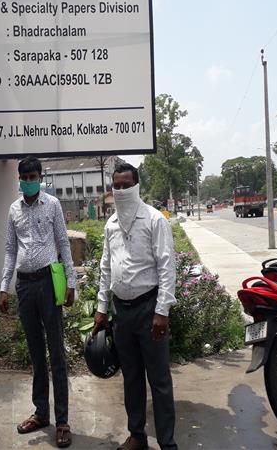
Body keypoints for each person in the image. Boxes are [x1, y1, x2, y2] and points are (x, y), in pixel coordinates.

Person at [93, 163, 177, 450]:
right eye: (116, 186)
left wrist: (162, 311)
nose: (121, 190)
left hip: (149, 308)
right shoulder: (111, 224)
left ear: (137, 186)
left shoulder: (154, 220)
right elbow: (106, 267)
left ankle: (167, 443)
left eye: (126, 185)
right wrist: (102, 308)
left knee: (159, 380)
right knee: (131, 378)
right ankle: (137, 436)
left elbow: (167, 266)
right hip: (122, 312)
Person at [0, 156, 76, 448]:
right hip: (24, 285)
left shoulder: (52, 204)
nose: (29, 181)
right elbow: (10, 249)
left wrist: (71, 282)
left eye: (33, 176)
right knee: (35, 352)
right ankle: (41, 413)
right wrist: (4, 287)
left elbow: (63, 242)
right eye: (25, 177)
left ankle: (62, 420)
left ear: (41, 178)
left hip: (48, 282)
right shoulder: (13, 209)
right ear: (19, 179)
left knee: (56, 352)